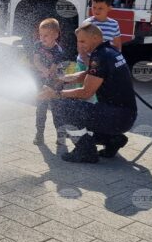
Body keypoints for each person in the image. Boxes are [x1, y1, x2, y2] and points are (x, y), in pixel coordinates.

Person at [39, 22, 137, 163]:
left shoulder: (100, 57)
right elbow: (86, 75)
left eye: (83, 41)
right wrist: (63, 80)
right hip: (123, 116)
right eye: (78, 41)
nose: (80, 45)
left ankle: (85, 152)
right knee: (79, 110)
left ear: (96, 38)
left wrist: (55, 94)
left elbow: (86, 92)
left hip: (116, 117)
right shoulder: (109, 51)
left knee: (64, 107)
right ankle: (113, 139)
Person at [32, 18, 68, 146]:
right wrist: (43, 69)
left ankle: (61, 136)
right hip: (41, 83)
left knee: (57, 110)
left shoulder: (58, 51)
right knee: (40, 109)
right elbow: (36, 61)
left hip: (55, 84)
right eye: (41, 34)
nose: (42, 38)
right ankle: (39, 134)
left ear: (56, 35)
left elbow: (54, 68)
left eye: (46, 35)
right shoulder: (38, 45)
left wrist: (48, 73)